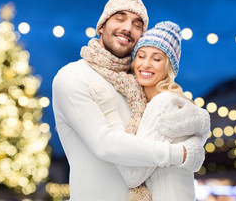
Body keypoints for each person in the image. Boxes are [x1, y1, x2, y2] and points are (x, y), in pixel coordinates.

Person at [52, 0, 209, 200]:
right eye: (119, 18)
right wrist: (182, 154)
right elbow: (105, 144)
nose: (128, 27)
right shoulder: (73, 76)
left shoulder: (138, 84)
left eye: (137, 24)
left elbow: (170, 124)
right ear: (101, 26)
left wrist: (198, 127)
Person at [85, 21, 210, 200]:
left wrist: (110, 111)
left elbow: (133, 175)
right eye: (141, 56)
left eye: (157, 58)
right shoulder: (167, 102)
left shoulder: (163, 103)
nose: (146, 64)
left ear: (169, 67)